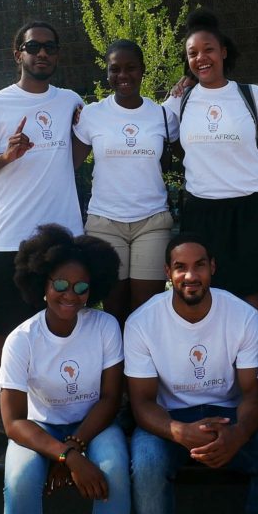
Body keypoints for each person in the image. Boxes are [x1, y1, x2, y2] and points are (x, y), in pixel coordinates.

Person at [0, 20, 85, 455]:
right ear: (19, 53)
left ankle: (61, 408)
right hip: (9, 236)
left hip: (63, 235)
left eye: (50, 47)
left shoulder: (71, 101)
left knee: (67, 324)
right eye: (34, 47)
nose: (43, 53)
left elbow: (83, 146)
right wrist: (5, 156)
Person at [124, 232, 258, 514]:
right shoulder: (142, 321)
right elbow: (142, 402)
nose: (190, 276)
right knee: (147, 465)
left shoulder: (241, 315)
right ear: (167, 273)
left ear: (212, 267)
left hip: (230, 414)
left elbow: (253, 393)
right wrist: (178, 431)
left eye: (199, 265)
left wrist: (237, 435)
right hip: (167, 417)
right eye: (180, 267)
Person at [0, 224, 129, 514]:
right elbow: (13, 422)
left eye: (81, 287)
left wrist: (76, 444)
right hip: (39, 429)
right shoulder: (21, 339)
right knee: (20, 481)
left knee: (114, 472)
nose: (70, 294)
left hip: (93, 426)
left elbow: (111, 398)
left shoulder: (105, 327)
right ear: (42, 283)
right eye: (60, 284)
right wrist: (67, 456)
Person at [165, 9, 258, 323]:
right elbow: (170, 144)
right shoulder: (180, 101)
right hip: (201, 212)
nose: (201, 58)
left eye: (208, 50)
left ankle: (257, 370)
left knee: (255, 304)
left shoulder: (252, 96)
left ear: (224, 52)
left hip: (251, 211)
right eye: (193, 53)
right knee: (207, 302)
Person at [73, 39, 179, 323]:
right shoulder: (92, 114)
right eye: (114, 69)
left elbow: (188, 156)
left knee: (146, 312)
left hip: (152, 221)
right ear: (106, 73)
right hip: (105, 222)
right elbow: (67, 163)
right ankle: (114, 368)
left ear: (142, 70)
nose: (123, 76)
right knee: (113, 311)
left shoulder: (162, 115)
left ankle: (141, 368)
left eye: (130, 68)